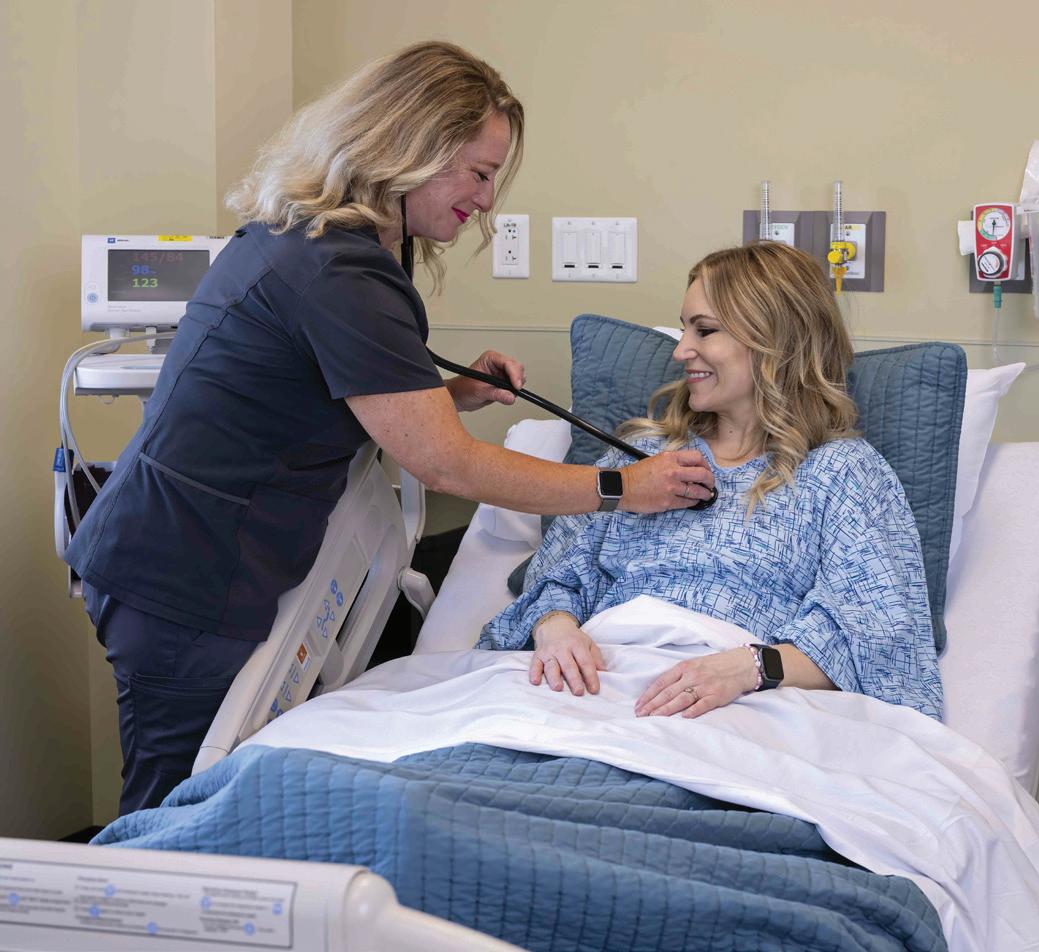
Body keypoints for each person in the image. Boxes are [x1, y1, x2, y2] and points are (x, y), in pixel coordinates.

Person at [66, 41, 714, 816]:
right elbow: (446, 466)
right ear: (410, 149)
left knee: (203, 799)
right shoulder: (334, 269)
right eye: (478, 173)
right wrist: (625, 486)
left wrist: (446, 395)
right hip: (182, 570)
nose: (486, 201)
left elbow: (327, 390)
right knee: (167, 810)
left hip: (200, 556)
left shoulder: (332, 242)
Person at [479, 242, 943, 722]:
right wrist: (556, 629)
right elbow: (557, 574)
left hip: (739, 699)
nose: (681, 350)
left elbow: (876, 639)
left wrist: (746, 667)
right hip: (595, 678)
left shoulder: (842, 472)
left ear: (774, 340)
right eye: (684, 328)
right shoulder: (642, 457)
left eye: (704, 330)